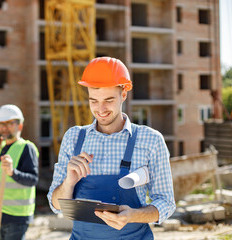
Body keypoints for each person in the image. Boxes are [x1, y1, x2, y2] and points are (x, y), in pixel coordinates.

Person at [47, 57, 176, 239]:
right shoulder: (73, 138)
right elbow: (56, 204)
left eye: (108, 100)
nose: (101, 109)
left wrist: (133, 216)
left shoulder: (151, 140)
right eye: (94, 101)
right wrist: (69, 182)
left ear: (123, 94)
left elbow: (166, 202)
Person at [0, 104, 39, 240]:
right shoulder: (1, 148)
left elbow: (33, 179)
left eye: (9, 123)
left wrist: (12, 172)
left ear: (20, 126)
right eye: (1, 124)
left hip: (17, 217)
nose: (4, 128)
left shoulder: (26, 148)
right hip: (0, 214)